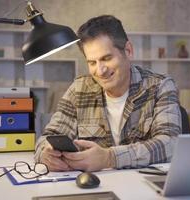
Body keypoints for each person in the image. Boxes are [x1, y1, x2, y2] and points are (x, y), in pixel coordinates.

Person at [34, 15, 182, 172]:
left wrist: (109, 158)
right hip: (97, 189)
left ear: (128, 51)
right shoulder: (78, 89)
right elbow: (47, 138)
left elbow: (171, 144)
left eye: (106, 58)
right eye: (92, 62)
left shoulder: (160, 86)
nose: (100, 70)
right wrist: (46, 154)